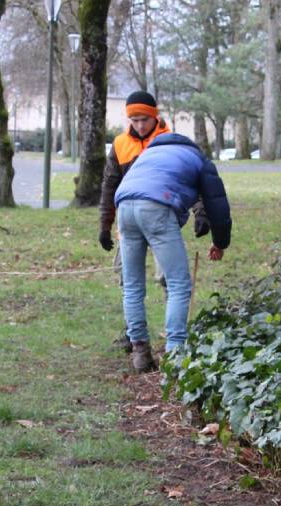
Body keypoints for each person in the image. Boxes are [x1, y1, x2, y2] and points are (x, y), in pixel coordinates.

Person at [100, 131, 232, 372]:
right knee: (178, 284)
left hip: (125, 207)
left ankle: (140, 352)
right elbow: (218, 204)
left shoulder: (149, 154)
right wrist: (220, 242)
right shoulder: (198, 160)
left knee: (132, 285)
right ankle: (175, 353)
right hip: (157, 207)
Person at [99, 90, 199, 352]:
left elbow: (189, 177)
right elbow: (110, 186)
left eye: (144, 119)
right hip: (129, 220)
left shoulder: (170, 141)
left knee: (169, 278)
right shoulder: (120, 144)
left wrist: (201, 211)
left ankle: (173, 335)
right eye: (135, 120)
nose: (140, 125)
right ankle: (135, 337)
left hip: (161, 217)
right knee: (129, 281)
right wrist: (105, 225)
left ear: (155, 116)